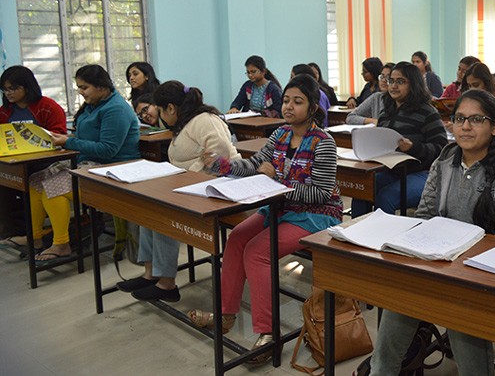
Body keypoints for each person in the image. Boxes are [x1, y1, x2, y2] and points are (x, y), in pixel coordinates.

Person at [369, 89, 495, 376]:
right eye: (459, 118)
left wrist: (469, 254)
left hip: (488, 272)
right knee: (397, 304)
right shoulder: (445, 160)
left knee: (461, 315)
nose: (465, 126)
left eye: (476, 119)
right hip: (440, 264)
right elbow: (425, 215)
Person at [188, 74, 342, 364]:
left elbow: (321, 193)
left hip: (315, 215)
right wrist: (222, 165)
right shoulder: (280, 135)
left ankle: (268, 335)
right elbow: (254, 165)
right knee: (236, 238)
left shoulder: (324, 142)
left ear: (312, 107)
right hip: (279, 207)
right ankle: (226, 315)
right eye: (286, 100)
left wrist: (278, 184)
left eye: (298, 102)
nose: (289, 107)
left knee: (258, 252)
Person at [116, 81, 241, 302]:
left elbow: (220, 157)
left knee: (165, 213)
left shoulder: (204, 120)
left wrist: (188, 172)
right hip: (194, 183)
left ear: (171, 108)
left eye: (161, 110)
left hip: (220, 184)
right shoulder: (185, 122)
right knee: (148, 207)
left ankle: (167, 284)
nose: (161, 115)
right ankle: (150, 274)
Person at [3, 65, 140, 262]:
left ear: (101, 87)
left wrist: (67, 141)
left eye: (84, 88)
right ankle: (35, 238)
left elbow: (107, 150)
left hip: (113, 168)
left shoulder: (115, 109)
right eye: (79, 88)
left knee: (52, 188)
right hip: (89, 162)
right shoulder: (94, 106)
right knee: (35, 181)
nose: (80, 92)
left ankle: (61, 244)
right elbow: (85, 137)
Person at [350, 62, 448, 217]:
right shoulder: (386, 111)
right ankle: (355, 236)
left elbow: (442, 148)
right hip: (392, 170)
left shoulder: (427, 112)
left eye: (400, 81)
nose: (394, 86)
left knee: (386, 197)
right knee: (362, 189)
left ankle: (381, 239)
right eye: (391, 81)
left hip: (423, 173)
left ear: (414, 84)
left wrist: (413, 148)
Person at [0, 66, 67, 243]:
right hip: (14, 163)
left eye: (13, 88)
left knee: (22, 183)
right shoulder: (5, 111)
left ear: (27, 87)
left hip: (44, 163)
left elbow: (58, 137)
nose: (9, 93)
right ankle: (12, 232)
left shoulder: (47, 107)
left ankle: (27, 233)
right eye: (5, 89)